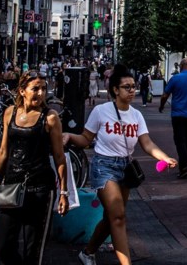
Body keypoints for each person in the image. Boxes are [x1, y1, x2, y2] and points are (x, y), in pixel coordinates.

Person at [67, 64, 177, 265]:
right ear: (115, 90)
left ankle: (88, 252)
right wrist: (68, 136)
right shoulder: (101, 111)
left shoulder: (136, 115)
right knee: (118, 216)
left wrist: (164, 157)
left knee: (111, 217)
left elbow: (147, 143)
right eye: (127, 87)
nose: (132, 90)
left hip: (125, 168)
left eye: (133, 86)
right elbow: (85, 139)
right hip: (104, 166)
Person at [0, 71, 69, 264]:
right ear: (22, 91)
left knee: (33, 250)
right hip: (11, 187)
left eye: (44, 89)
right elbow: (3, 151)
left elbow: (59, 157)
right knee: (3, 246)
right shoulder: (9, 113)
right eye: (35, 89)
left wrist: (64, 192)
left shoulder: (50, 118)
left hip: (39, 189)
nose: (41, 93)